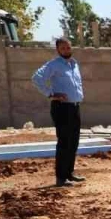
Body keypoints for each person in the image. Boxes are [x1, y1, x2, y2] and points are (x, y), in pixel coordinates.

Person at [31, 38, 86, 187]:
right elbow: (37, 78)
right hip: (62, 108)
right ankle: (61, 178)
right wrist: (50, 94)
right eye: (63, 48)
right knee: (64, 142)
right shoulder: (54, 65)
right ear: (58, 50)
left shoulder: (74, 64)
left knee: (73, 141)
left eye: (68, 47)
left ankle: (69, 173)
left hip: (75, 107)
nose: (66, 50)